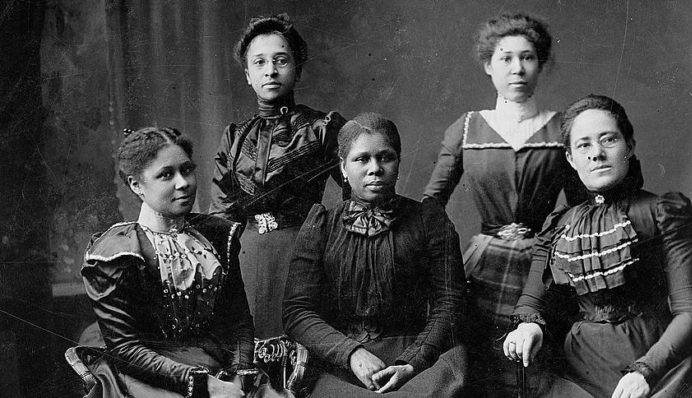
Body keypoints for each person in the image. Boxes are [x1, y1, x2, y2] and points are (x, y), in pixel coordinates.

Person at [503, 95, 692, 398]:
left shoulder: (663, 212)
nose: (597, 154)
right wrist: (529, 327)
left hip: (658, 366)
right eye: (584, 145)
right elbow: (532, 301)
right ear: (571, 158)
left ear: (629, 145)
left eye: (609, 139)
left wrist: (646, 372)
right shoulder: (560, 224)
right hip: (576, 371)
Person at [422, 12, 583, 393]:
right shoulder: (467, 127)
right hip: (482, 267)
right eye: (505, 58)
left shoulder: (562, 128)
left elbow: (581, 209)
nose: (517, 68)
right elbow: (431, 204)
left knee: (538, 368)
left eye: (527, 57)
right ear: (487, 66)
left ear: (540, 63)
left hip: (541, 266)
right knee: (475, 367)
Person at [283, 113, 467, 397]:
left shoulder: (429, 220)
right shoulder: (321, 225)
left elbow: (450, 304)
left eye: (385, 157)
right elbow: (297, 311)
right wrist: (351, 353)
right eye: (362, 159)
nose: (375, 168)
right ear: (343, 167)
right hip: (340, 364)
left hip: (415, 361)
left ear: (398, 162)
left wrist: (412, 363)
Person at [81, 127, 255, 398]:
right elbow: (126, 348)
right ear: (136, 185)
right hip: (148, 375)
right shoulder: (116, 253)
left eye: (186, 170)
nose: (183, 183)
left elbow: (239, 322)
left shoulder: (217, 236)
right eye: (166, 175)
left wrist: (238, 378)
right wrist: (204, 386)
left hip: (218, 365)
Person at [209, 14, 347, 339]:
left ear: (297, 68)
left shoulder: (321, 128)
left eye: (280, 60)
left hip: (305, 254)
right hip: (246, 257)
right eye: (259, 62)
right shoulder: (234, 136)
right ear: (247, 74)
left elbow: (354, 198)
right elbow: (221, 214)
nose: (270, 70)